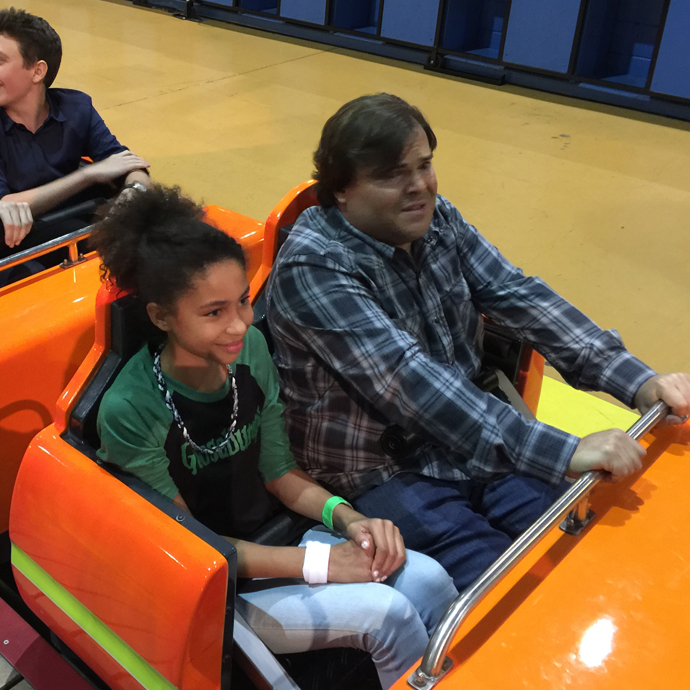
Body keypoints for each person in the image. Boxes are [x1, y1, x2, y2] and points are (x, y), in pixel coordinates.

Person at [264, 93, 690, 592]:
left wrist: (635, 380)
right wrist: (561, 450)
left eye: (424, 166)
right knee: (513, 595)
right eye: (392, 175)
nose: (419, 187)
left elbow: (520, 296)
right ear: (339, 190)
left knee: (589, 550)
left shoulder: (438, 221)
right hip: (384, 471)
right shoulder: (314, 268)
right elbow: (412, 383)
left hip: (470, 439)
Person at [92, 184, 458, 689]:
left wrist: (352, 521)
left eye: (243, 302)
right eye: (213, 312)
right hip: (214, 584)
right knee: (388, 615)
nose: (240, 324)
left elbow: (280, 472)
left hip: (276, 542)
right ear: (160, 316)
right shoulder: (131, 407)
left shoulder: (250, 351)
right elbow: (193, 548)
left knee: (432, 579)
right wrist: (323, 563)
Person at [0, 8, 150, 262]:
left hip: (75, 224)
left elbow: (130, 165)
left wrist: (133, 191)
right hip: (19, 242)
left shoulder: (76, 108)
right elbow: (7, 204)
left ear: (37, 71)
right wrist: (87, 175)